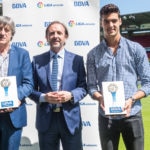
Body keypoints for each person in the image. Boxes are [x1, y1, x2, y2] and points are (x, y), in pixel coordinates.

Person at [86, 4, 150, 150]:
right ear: (101, 23)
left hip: (132, 114)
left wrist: (132, 99)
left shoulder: (136, 49)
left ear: (120, 21)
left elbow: (148, 83)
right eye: (106, 21)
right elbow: (90, 86)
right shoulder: (93, 54)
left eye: (114, 20)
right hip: (106, 118)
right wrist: (100, 97)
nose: (111, 25)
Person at [29, 21, 87, 150]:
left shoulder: (77, 60)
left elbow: (83, 87)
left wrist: (71, 95)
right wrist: (44, 97)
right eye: (52, 33)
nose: (55, 36)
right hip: (46, 121)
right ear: (47, 37)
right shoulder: (37, 61)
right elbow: (30, 89)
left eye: (59, 33)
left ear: (65, 36)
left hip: (70, 119)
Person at [0, 16, 33, 150]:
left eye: (6, 30)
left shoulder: (22, 54)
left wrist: (14, 98)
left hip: (14, 115)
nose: (2, 32)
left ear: (11, 34)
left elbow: (28, 84)